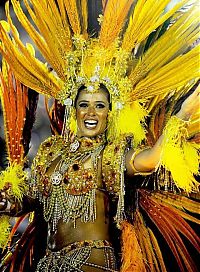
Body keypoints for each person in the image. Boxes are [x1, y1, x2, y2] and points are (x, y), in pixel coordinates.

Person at [0, 0, 199, 271]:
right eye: (84, 104)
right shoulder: (50, 152)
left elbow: (152, 159)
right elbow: (32, 196)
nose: (91, 112)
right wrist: (10, 201)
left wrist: (182, 114)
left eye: (100, 105)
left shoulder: (110, 153)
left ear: (109, 113)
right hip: (48, 264)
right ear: (74, 110)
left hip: (92, 264)